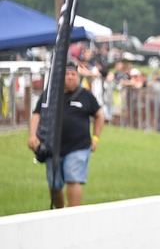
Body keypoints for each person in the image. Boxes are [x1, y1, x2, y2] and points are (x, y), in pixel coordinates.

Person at [27, 61, 105, 209]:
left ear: (78, 76)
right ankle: (60, 213)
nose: (69, 77)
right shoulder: (49, 95)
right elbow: (37, 115)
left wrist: (95, 138)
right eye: (66, 74)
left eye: (73, 74)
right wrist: (32, 136)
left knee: (73, 178)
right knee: (55, 185)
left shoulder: (86, 96)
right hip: (52, 147)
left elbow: (99, 116)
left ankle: (73, 215)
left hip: (78, 146)